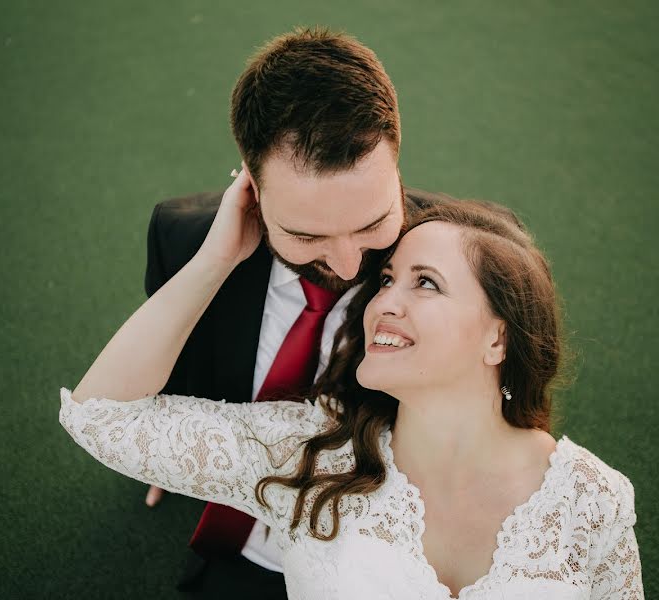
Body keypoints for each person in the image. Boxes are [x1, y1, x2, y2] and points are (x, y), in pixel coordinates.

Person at [59, 173, 645, 597]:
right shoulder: (308, 455)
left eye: (426, 284)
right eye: (386, 280)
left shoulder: (596, 499)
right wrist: (216, 260)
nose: (383, 301)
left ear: (498, 339)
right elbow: (99, 416)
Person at [141, 26, 453, 596]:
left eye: (371, 223)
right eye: (307, 235)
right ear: (253, 186)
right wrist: (169, 438)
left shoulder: (462, 256)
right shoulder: (182, 236)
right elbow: (179, 360)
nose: (347, 260)